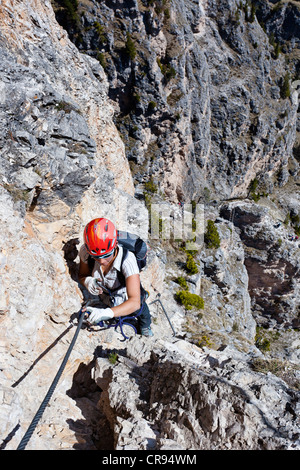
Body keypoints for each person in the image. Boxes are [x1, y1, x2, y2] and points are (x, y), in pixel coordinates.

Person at [78, 217, 153, 337]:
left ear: (115, 245)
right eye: (95, 256)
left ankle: (146, 326)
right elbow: (82, 275)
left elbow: (134, 302)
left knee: (141, 308)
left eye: (106, 255)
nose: (101, 261)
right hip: (106, 295)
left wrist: (108, 313)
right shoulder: (86, 252)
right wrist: (87, 281)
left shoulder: (127, 260)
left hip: (125, 295)